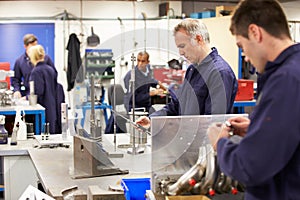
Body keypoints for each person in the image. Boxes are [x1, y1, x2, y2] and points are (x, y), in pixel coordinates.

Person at [207, 0, 300, 199]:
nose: (246, 57)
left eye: (242, 46)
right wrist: (258, 127)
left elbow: (250, 166)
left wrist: (221, 143)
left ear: (255, 33)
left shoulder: (286, 79)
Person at [136, 18, 237, 127]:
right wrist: (152, 119)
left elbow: (214, 123)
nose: (181, 52)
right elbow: (177, 105)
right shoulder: (192, 70)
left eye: (182, 46)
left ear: (198, 39)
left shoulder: (219, 73)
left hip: (204, 142)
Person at [28, 44, 64, 134]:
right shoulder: (50, 69)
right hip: (53, 107)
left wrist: (27, 98)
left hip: (43, 108)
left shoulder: (36, 71)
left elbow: (38, 91)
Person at [12, 33, 56, 98]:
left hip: (46, 95)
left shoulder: (46, 59)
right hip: (28, 94)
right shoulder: (19, 61)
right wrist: (17, 90)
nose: (35, 48)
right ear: (25, 46)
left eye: (36, 45)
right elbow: (16, 79)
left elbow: (54, 75)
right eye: (32, 45)